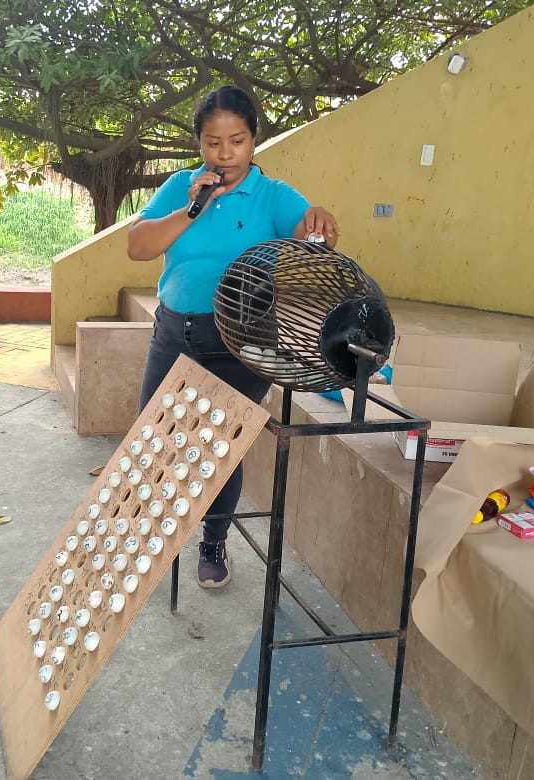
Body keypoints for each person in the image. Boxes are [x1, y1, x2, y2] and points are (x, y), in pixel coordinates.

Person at [127, 85, 341, 588]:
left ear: (253, 140)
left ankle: (213, 540)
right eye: (212, 143)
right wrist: (192, 209)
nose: (225, 155)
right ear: (198, 143)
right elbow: (138, 246)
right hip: (174, 332)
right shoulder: (181, 186)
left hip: (241, 341)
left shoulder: (274, 196)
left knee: (215, 447)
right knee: (154, 439)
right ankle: (155, 537)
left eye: (237, 141)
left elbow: (313, 238)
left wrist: (320, 226)